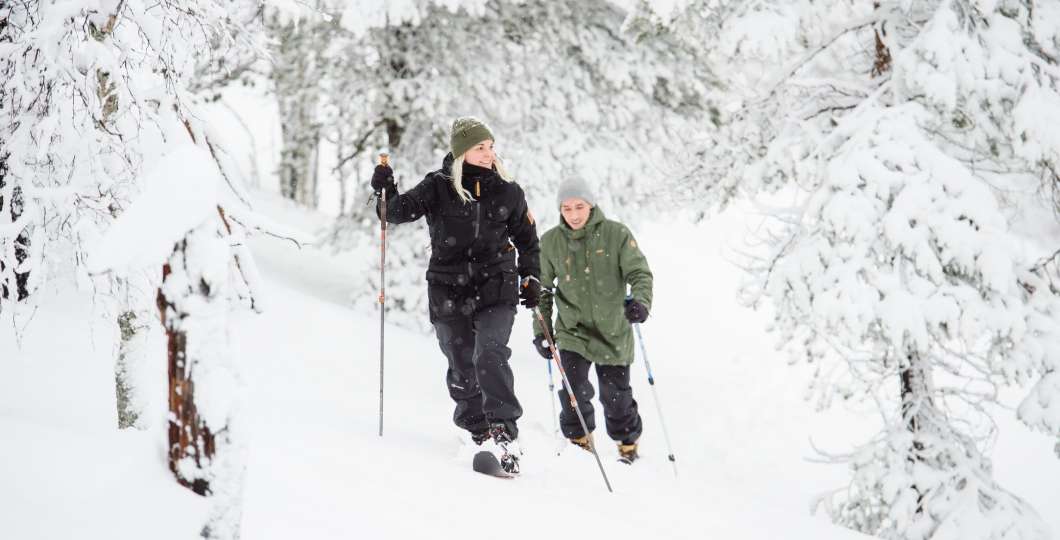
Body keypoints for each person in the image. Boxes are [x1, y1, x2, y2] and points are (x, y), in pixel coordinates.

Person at [371, 117, 541, 474]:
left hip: (496, 287)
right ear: (462, 152)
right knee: (462, 364)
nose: (488, 154)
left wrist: (531, 277)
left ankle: (504, 433)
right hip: (448, 288)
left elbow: (527, 240)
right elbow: (395, 213)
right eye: (480, 147)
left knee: (490, 353)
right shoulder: (438, 186)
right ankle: (478, 432)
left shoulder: (508, 191)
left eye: (490, 147)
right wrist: (385, 190)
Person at [532, 177, 653, 463]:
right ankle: (580, 444)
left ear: (591, 204)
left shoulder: (616, 234)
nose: (573, 215)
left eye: (579, 207)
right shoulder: (551, 242)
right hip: (573, 331)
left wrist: (641, 302)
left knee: (616, 397)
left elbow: (639, 273)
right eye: (566, 208)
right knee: (573, 391)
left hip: (613, 329)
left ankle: (627, 444)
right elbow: (542, 290)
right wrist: (542, 331)